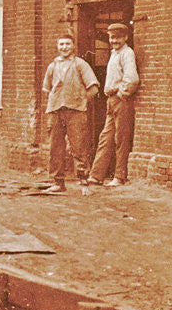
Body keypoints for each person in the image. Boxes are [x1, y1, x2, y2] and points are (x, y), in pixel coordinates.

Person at [41, 33, 99, 193]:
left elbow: (93, 88)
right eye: (61, 44)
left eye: (67, 44)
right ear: (57, 46)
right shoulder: (52, 66)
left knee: (79, 147)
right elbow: (47, 89)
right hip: (55, 112)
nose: (64, 47)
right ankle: (58, 182)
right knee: (55, 147)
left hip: (76, 112)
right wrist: (57, 102)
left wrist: (80, 102)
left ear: (73, 46)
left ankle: (83, 183)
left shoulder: (80, 64)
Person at [87, 22, 140, 187]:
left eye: (118, 37)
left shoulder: (127, 53)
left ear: (125, 37)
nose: (114, 40)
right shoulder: (114, 53)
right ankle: (96, 176)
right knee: (106, 137)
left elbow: (132, 79)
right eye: (111, 37)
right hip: (111, 100)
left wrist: (121, 93)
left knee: (121, 138)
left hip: (120, 100)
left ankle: (119, 176)